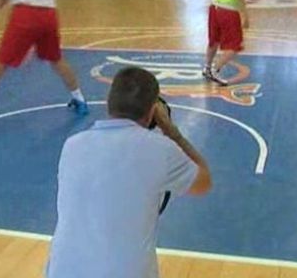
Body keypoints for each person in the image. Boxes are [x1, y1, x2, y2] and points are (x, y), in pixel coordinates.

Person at [46, 67, 212, 278]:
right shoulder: (161, 149)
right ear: (153, 110)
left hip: (63, 271)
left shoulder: (72, 145)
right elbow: (203, 182)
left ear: (109, 103)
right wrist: (172, 132)